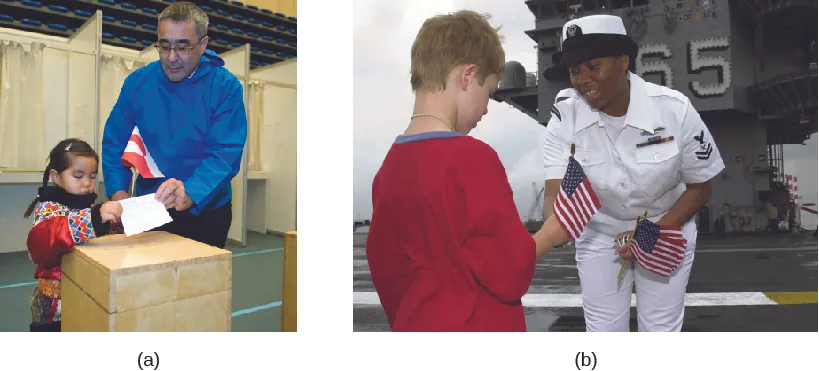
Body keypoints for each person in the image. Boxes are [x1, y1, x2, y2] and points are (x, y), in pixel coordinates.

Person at [365, 10, 568, 332]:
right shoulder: (473, 159)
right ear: (467, 76)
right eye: (488, 92)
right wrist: (549, 235)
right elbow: (509, 271)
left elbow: (385, 270)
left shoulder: (388, 169)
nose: (486, 107)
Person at [541, 14, 725, 332]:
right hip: (600, 231)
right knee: (603, 333)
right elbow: (554, 194)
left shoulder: (674, 109)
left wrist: (651, 234)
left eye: (593, 66)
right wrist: (551, 233)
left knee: (660, 330)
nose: (583, 80)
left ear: (623, 61)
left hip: (667, 222)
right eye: (574, 71)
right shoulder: (565, 114)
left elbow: (701, 186)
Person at [101, 2, 247, 248]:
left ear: (203, 44)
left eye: (182, 47)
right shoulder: (137, 83)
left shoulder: (225, 87)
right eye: (164, 46)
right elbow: (115, 141)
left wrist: (192, 191)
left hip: (207, 210)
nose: (171, 57)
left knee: (201, 273)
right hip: (150, 209)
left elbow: (225, 152)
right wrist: (118, 191)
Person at [24, 139, 124, 332]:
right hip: (54, 308)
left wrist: (118, 223)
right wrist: (94, 219)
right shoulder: (49, 209)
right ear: (56, 176)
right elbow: (40, 246)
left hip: (84, 294)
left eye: (92, 176)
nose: (87, 183)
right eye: (78, 176)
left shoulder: (88, 207)